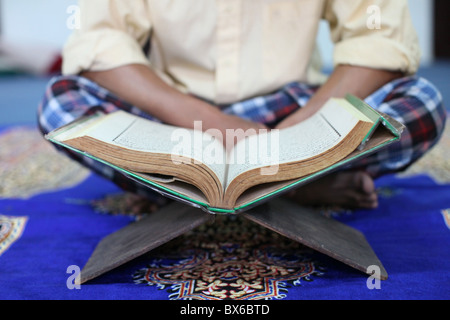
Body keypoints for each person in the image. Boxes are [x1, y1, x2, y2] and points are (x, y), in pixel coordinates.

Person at [38, 0, 446, 211]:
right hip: (175, 123)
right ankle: (297, 190)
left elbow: (379, 40)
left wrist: (289, 141)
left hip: (295, 110)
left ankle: (181, 193)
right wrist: (212, 123)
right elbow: (98, 41)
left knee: (420, 102)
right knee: (61, 103)